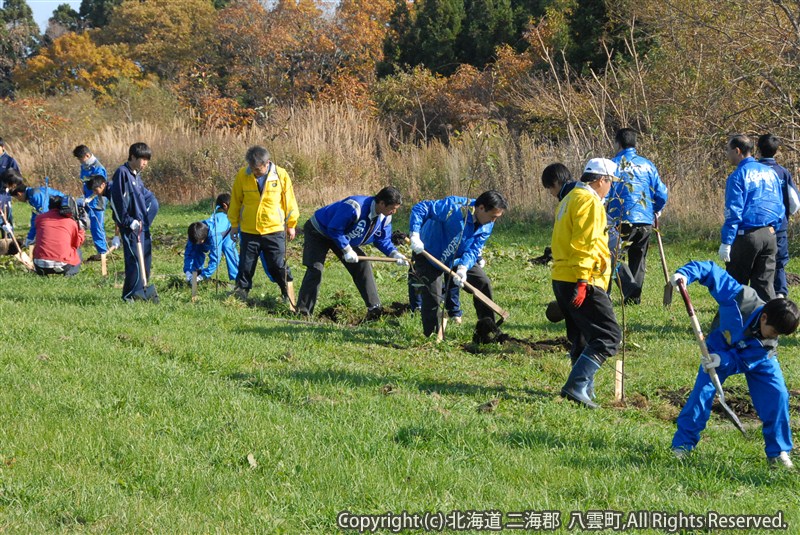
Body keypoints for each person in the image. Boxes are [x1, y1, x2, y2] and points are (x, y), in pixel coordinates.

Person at [670, 261, 799, 469]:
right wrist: (684, 275)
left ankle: (778, 452)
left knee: (778, 396)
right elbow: (711, 271)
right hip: (719, 346)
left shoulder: (768, 343)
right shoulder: (740, 298)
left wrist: (726, 361)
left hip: (755, 359)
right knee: (701, 394)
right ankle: (682, 446)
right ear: (764, 317)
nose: (775, 337)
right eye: (774, 332)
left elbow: (746, 361)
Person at [551, 158, 622, 409]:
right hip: (582, 279)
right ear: (601, 180)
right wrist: (583, 280)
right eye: (610, 183)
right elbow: (585, 243)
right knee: (609, 335)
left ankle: (585, 389)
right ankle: (576, 385)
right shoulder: (589, 202)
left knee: (582, 335)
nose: (610, 188)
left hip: (562, 275)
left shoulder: (570, 197)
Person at [296, 186, 408, 319]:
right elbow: (334, 229)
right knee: (316, 269)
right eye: (392, 208)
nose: (394, 212)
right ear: (381, 203)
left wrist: (394, 254)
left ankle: (374, 309)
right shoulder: (355, 206)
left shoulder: (385, 217)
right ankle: (303, 312)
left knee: (363, 264)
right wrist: (347, 250)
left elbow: (381, 239)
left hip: (343, 236)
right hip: (320, 231)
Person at [408, 190, 507, 337]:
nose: (493, 221)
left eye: (496, 218)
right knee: (433, 297)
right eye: (492, 217)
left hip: (457, 257)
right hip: (428, 252)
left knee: (482, 282)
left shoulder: (487, 224)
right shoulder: (454, 208)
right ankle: (432, 335)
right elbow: (421, 208)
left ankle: (487, 332)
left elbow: (474, 249)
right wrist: (415, 234)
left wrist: (463, 268)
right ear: (480, 208)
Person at [229, 146, 299, 308]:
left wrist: (291, 224)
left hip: (273, 229)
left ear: (267, 163)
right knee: (245, 265)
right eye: (251, 168)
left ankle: (286, 292)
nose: (254, 172)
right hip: (249, 230)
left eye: (258, 169)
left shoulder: (281, 175)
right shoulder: (242, 175)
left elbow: (289, 202)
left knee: (277, 265)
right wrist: (234, 225)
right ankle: (241, 293)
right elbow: (235, 201)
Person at [606, 128, 669, 304]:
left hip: (620, 218)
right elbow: (662, 192)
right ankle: (634, 298)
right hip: (645, 219)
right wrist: (656, 209)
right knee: (638, 258)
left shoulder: (612, 165)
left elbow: (606, 193)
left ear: (617, 143)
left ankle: (626, 289)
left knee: (614, 256)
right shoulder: (648, 164)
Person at [719, 134, 783, 302]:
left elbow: (733, 211)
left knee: (735, 284)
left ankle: (731, 324)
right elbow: (780, 206)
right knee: (764, 285)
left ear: (737, 151)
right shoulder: (771, 174)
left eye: (728, 150)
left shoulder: (738, 175)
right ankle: (767, 324)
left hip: (746, 235)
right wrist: (773, 228)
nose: (726, 154)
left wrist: (727, 241)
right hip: (769, 235)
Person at [109, 142, 159, 302]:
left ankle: (140, 291)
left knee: (145, 258)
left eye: (147, 160)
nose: (145, 163)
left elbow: (145, 197)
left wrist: (149, 213)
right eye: (142, 159)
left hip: (141, 227)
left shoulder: (137, 176)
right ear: (132, 157)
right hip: (130, 227)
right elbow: (116, 202)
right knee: (134, 262)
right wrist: (128, 222)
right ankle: (128, 295)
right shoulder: (122, 174)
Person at [757, 134, 799, 299]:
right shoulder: (783, 172)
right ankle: (780, 294)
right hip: (779, 226)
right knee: (779, 262)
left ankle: (759, 297)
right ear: (776, 152)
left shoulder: (752, 170)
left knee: (759, 262)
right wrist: (785, 215)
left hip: (757, 227)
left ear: (758, 150)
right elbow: (795, 202)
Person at [183, 193, 241, 283]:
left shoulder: (214, 237)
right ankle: (194, 275)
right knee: (196, 249)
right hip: (213, 232)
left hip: (229, 229)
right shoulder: (195, 231)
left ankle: (238, 277)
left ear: (204, 239)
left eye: (200, 242)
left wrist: (204, 275)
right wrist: (187, 271)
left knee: (227, 247)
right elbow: (189, 252)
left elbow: (215, 258)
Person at [32, 195, 88, 277]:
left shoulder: (39, 218)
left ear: (49, 206)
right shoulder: (70, 222)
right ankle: (70, 274)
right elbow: (76, 243)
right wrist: (81, 230)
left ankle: (43, 274)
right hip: (63, 265)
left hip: (39, 265)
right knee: (77, 251)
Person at [73, 145, 109, 258]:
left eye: (80, 158)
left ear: (87, 155)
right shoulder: (85, 167)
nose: (79, 161)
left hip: (96, 202)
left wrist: (89, 199)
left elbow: (100, 188)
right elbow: (84, 182)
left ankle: (102, 252)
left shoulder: (98, 168)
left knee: (96, 227)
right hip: (86, 201)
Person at [8, 178, 66, 247]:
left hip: (63, 210)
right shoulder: (31, 196)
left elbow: (45, 215)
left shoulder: (35, 195)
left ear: (19, 194)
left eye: (17, 198)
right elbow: (35, 217)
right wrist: (30, 237)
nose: (19, 200)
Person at [0, 138, 21, 238]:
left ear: (2, 147)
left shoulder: (9, 160)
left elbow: (17, 177)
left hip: (4, 194)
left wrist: (10, 188)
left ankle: (9, 241)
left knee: (6, 219)